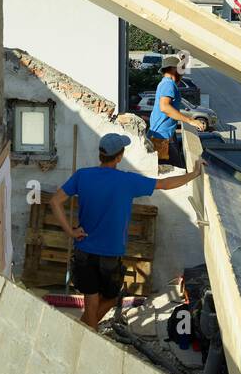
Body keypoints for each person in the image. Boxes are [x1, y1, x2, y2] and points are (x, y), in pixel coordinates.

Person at [49, 133, 203, 329]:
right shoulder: (127, 181)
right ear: (119, 157)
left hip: (84, 250)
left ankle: (85, 331)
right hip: (110, 254)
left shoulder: (82, 176)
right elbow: (164, 184)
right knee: (111, 299)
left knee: (91, 301)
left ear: (100, 154)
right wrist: (193, 174)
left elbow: (55, 201)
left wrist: (71, 232)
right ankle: (86, 333)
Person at [147, 54, 203, 169]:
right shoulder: (168, 84)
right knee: (174, 171)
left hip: (163, 135)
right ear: (173, 69)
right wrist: (190, 120)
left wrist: (183, 62)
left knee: (174, 169)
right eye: (180, 69)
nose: (182, 72)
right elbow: (165, 107)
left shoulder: (167, 83)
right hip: (162, 138)